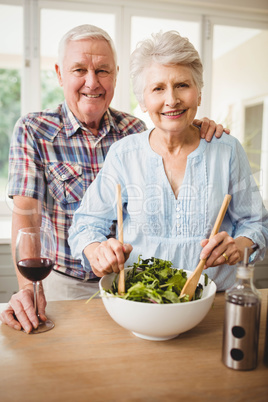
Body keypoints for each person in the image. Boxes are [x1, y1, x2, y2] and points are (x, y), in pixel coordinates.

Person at [1, 25, 228, 333]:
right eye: (79, 69)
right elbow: (27, 220)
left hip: (132, 285)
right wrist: (28, 287)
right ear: (59, 73)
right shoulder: (34, 130)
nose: (92, 82)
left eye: (103, 70)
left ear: (117, 75)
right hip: (66, 286)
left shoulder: (136, 130)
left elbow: (174, 125)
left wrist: (195, 126)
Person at [68, 30, 268, 294]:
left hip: (215, 302)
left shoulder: (227, 150)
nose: (171, 100)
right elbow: (86, 225)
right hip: (143, 301)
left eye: (182, 85)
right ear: (143, 100)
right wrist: (97, 251)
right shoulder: (124, 154)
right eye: (158, 88)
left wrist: (240, 245)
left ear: (198, 93)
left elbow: (257, 223)